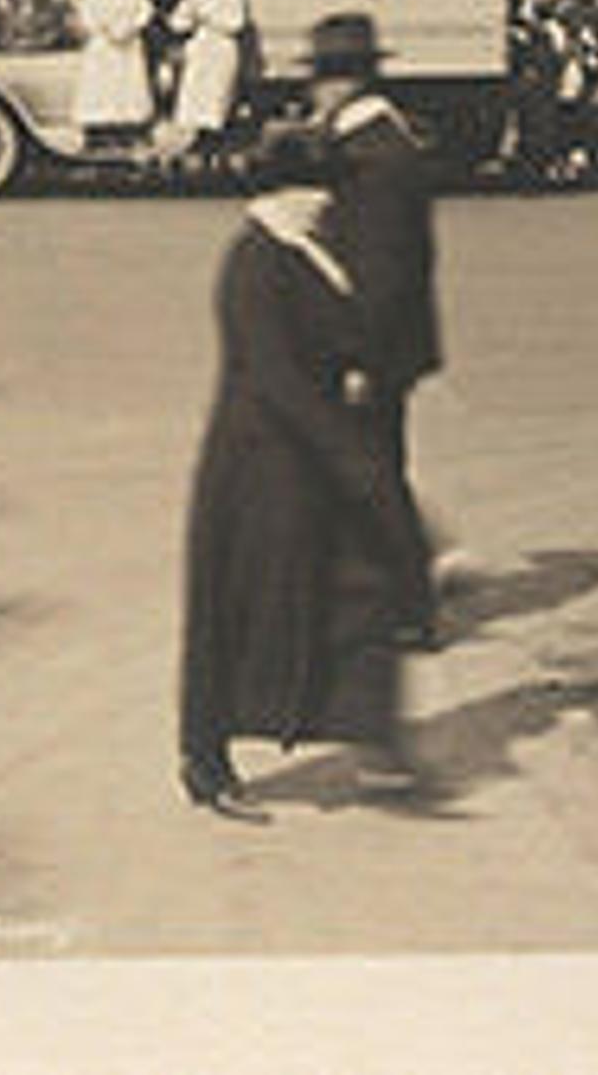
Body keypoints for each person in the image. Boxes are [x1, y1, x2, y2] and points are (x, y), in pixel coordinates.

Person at [176, 124, 432, 818]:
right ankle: (205, 761)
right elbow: (275, 377)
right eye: (313, 187)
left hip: (305, 465)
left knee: (354, 597)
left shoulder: (301, 247)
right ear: (279, 190)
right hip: (260, 471)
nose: (325, 200)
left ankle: (374, 742)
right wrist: (352, 456)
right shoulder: (255, 262)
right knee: (238, 613)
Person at [302, 10, 444, 634]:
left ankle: (407, 605)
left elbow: (383, 272)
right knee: (371, 470)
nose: (315, 94)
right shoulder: (379, 144)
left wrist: (359, 357)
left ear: (345, 83)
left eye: (321, 79)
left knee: (373, 474)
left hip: (372, 347)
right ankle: (386, 597)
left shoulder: (373, 157)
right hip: (382, 344)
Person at [165, 0, 250, 155]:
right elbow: (177, 23)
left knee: (217, 93)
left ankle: (216, 135)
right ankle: (199, 134)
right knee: (196, 92)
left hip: (221, 48)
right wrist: (188, 16)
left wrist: (210, 17)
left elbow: (236, 23)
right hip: (201, 48)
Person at [74, 0, 158, 140]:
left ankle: (130, 128)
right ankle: (99, 129)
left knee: (128, 83)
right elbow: (88, 13)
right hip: (105, 42)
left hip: (129, 41)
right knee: (103, 83)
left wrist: (133, 26)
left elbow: (145, 10)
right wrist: (105, 30)